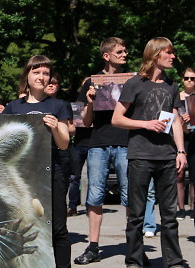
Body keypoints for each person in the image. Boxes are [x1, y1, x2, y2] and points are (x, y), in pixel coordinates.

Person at [112, 37, 185, 268]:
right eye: (169, 53)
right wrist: (144, 124)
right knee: (136, 215)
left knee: (170, 216)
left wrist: (180, 151)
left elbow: (175, 122)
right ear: (155, 55)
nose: (173, 57)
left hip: (166, 156)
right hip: (140, 156)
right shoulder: (135, 83)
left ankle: (173, 261)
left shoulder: (172, 85)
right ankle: (134, 260)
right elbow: (117, 119)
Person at [2, 55, 71, 268]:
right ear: (27, 75)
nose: (41, 77)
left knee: (58, 228)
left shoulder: (59, 105)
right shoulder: (13, 107)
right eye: (36, 72)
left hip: (53, 172)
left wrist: (55, 127)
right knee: (22, 227)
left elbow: (64, 143)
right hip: (22, 177)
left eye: (46, 73)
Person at [74, 37, 129, 265]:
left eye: (126, 51)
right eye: (120, 51)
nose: (125, 54)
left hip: (127, 142)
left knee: (130, 196)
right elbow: (84, 122)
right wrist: (89, 103)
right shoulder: (91, 82)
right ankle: (93, 247)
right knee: (94, 196)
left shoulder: (133, 81)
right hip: (98, 144)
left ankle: (133, 246)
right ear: (106, 56)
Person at [177, 67, 195, 220]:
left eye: (192, 78)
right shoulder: (178, 96)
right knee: (179, 173)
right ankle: (181, 208)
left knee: (194, 175)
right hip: (180, 137)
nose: (189, 81)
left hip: (194, 137)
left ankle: (193, 208)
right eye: (186, 78)